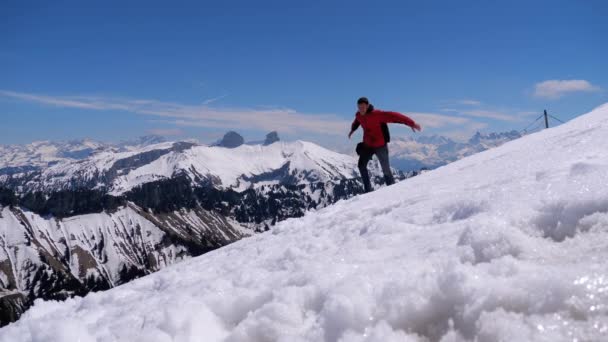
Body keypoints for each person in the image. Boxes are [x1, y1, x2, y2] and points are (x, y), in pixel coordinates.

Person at [348, 97, 421, 192]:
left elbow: (395, 116)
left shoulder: (377, 114)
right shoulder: (359, 115)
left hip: (380, 145)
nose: (361, 109)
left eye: (363, 107)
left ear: (368, 106)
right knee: (361, 166)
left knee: (386, 170)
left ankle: (392, 190)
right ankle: (368, 191)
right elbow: (357, 121)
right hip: (368, 145)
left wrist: (411, 123)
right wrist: (352, 130)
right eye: (359, 107)